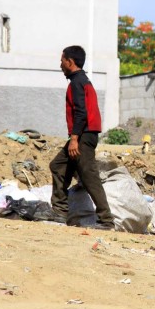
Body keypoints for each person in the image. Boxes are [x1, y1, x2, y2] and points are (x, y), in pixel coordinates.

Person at [50, 45, 114, 230]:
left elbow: (81, 113)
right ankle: (60, 212)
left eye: (62, 61)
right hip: (85, 134)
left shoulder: (77, 82)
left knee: (89, 176)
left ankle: (106, 220)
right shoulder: (82, 80)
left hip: (84, 135)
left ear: (70, 62)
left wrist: (75, 138)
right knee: (59, 166)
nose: (60, 64)